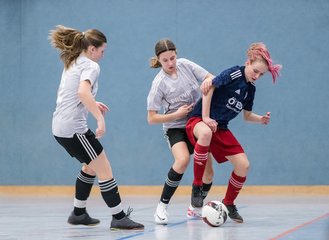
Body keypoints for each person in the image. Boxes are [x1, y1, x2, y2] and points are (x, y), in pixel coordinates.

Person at [49, 25, 144, 230]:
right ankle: (118, 217)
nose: (103, 55)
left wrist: (91, 101)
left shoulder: (73, 62)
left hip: (60, 127)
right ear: (92, 49)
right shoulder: (91, 66)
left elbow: (70, 92)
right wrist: (100, 119)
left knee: (90, 166)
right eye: (102, 51)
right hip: (73, 129)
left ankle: (78, 213)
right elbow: (83, 92)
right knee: (104, 168)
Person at [185, 42, 282, 223]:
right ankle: (197, 186)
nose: (257, 76)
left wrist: (260, 119)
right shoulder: (234, 73)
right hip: (199, 120)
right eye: (255, 71)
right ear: (248, 63)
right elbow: (209, 88)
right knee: (205, 134)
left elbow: (246, 115)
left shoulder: (251, 89)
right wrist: (205, 117)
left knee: (243, 165)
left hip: (220, 128)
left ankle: (229, 203)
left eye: (261, 74)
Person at [147, 39, 215, 225]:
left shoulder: (185, 65)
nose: (170, 63)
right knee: (183, 160)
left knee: (209, 173)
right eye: (165, 60)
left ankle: (195, 208)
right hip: (175, 127)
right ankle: (162, 207)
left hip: (195, 122)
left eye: (172, 58)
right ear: (158, 60)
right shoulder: (159, 83)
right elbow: (151, 118)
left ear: (177, 54)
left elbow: (211, 77)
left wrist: (206, 84)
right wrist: (176, 114)